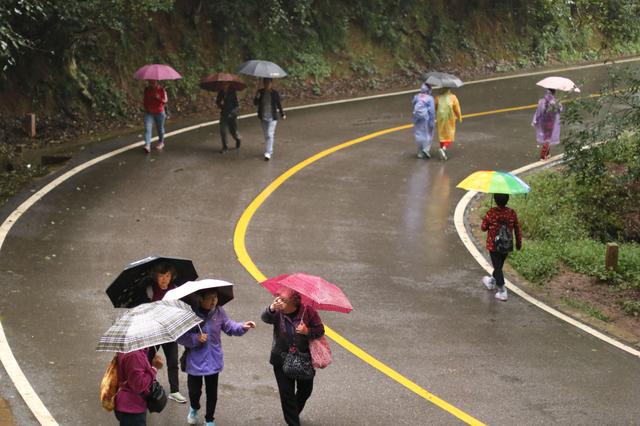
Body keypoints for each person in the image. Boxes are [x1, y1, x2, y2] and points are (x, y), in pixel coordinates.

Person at [177, 289, 256, 426]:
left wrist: (242, 326)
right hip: (195, 361)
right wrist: (196, 338)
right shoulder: (190, 314)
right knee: (194, 392)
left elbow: (229, 326)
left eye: (215, 297)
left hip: (213, 360)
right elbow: (181, 336)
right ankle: (194, 408)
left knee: (212, 393)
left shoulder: (219, 312)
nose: (214, 301)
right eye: (210, 298)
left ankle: (209, 419)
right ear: (201, 299)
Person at [261, 288, 324, 426]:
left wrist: (307, 331)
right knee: (286, 394)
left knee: (305, 390)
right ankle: (293, 422)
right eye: (278, 298)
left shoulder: (308, 312)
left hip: (303, 358)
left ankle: (293, 413)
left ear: (294, 304)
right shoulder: (277, 311)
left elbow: (320, 330)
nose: (279, 302)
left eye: (284, 300)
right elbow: (265, 318)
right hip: (281, 358)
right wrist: (271, 308)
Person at [144, 262, 187, 404]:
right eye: (161, 275)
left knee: (173, 361)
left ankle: (174, 391)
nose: (164, 279)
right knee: (148, 360)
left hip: (169, 331)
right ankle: (148, 386)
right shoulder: (150, 290)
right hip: (154, 331)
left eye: (167, 275)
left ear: (171, 277)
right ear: (155, 276)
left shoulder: (175, 290)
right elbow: (143, 310)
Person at [480, 193, 523, 301]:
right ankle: (491, 282)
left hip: (494, 245)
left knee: (498, 267)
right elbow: (517, 228)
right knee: (498, 266)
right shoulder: (511, 213)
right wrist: (518, 243)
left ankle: (502, 291)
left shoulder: (492, 212)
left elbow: (483, 228)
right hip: (507, 245)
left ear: (495, 200)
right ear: (507, 200)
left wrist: (488, 221)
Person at [114, 347, 162, 426]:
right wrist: (154, 368)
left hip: (129, 405)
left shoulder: (132, 350)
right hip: (132, 408)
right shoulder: (134, 355)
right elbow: (139, 385)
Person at [253, 78, 286, 161]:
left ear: (271, 84)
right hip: (263, 116)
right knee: (266, 135)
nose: (267, 85)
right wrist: (256, 97)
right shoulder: (260, 92)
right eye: (265, 83)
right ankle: (269, 149)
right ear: (263, 83)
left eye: (269, 83)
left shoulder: (274, 93)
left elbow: (278, 104)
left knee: (269, 134)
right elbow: (255, 103)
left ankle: (268, 152)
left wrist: (282, 114)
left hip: (272, 117)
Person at [532, 88, 563, 160]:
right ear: (554, 92)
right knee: (548, 139)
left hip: (543, 122)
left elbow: (538, 112)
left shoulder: (541, 101)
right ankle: (543, 156)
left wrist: (535, 120)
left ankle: (547, 154)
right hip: (551, 122)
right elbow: (560, 110)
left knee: (546, 137)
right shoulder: (555, 102)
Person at [435, 88, 462, 160]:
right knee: (450, 135)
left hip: (440, 118)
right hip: (449, 119)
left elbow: (435, 107)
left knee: (442, 134)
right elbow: (457, 109)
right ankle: (443, 149)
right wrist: (459, 116)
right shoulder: (453, 97)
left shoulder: (438, 97)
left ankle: (442, 150)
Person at [143, 80, 168, 153]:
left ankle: (161, 142)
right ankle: (147, 145)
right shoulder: (147, 89)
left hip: (159, 112)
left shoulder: (161, 89)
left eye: (153, 82)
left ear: (156, 82)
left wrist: (158, 97)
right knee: (147, 129)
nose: (152, 83)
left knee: (160, 128)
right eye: (150, 82)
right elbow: (145, 99)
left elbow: (165, 101)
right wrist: (145, 107)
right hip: (149, 112)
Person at [215, 82, 241, 153]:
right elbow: (218, 101)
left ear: (228, 84)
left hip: (232, 115)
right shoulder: (221, 92)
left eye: (225, 84)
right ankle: (225, 147)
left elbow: (237, 105)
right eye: (223, 84)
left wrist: (232, 112)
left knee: (233, 132)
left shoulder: (233, 92)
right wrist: (220, 105)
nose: (224, 85)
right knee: (223, 131)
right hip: (224, 114)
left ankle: (238, 139)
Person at [412, 83, 436, 159]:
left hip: (416, 118)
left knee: (419, 133)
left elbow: (413, 103)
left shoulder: (416, 96)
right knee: (428, 133)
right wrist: (432, 121)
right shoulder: (430, 98)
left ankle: (420, 151)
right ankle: (426, 149)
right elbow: (432, 111)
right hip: (426, 119)